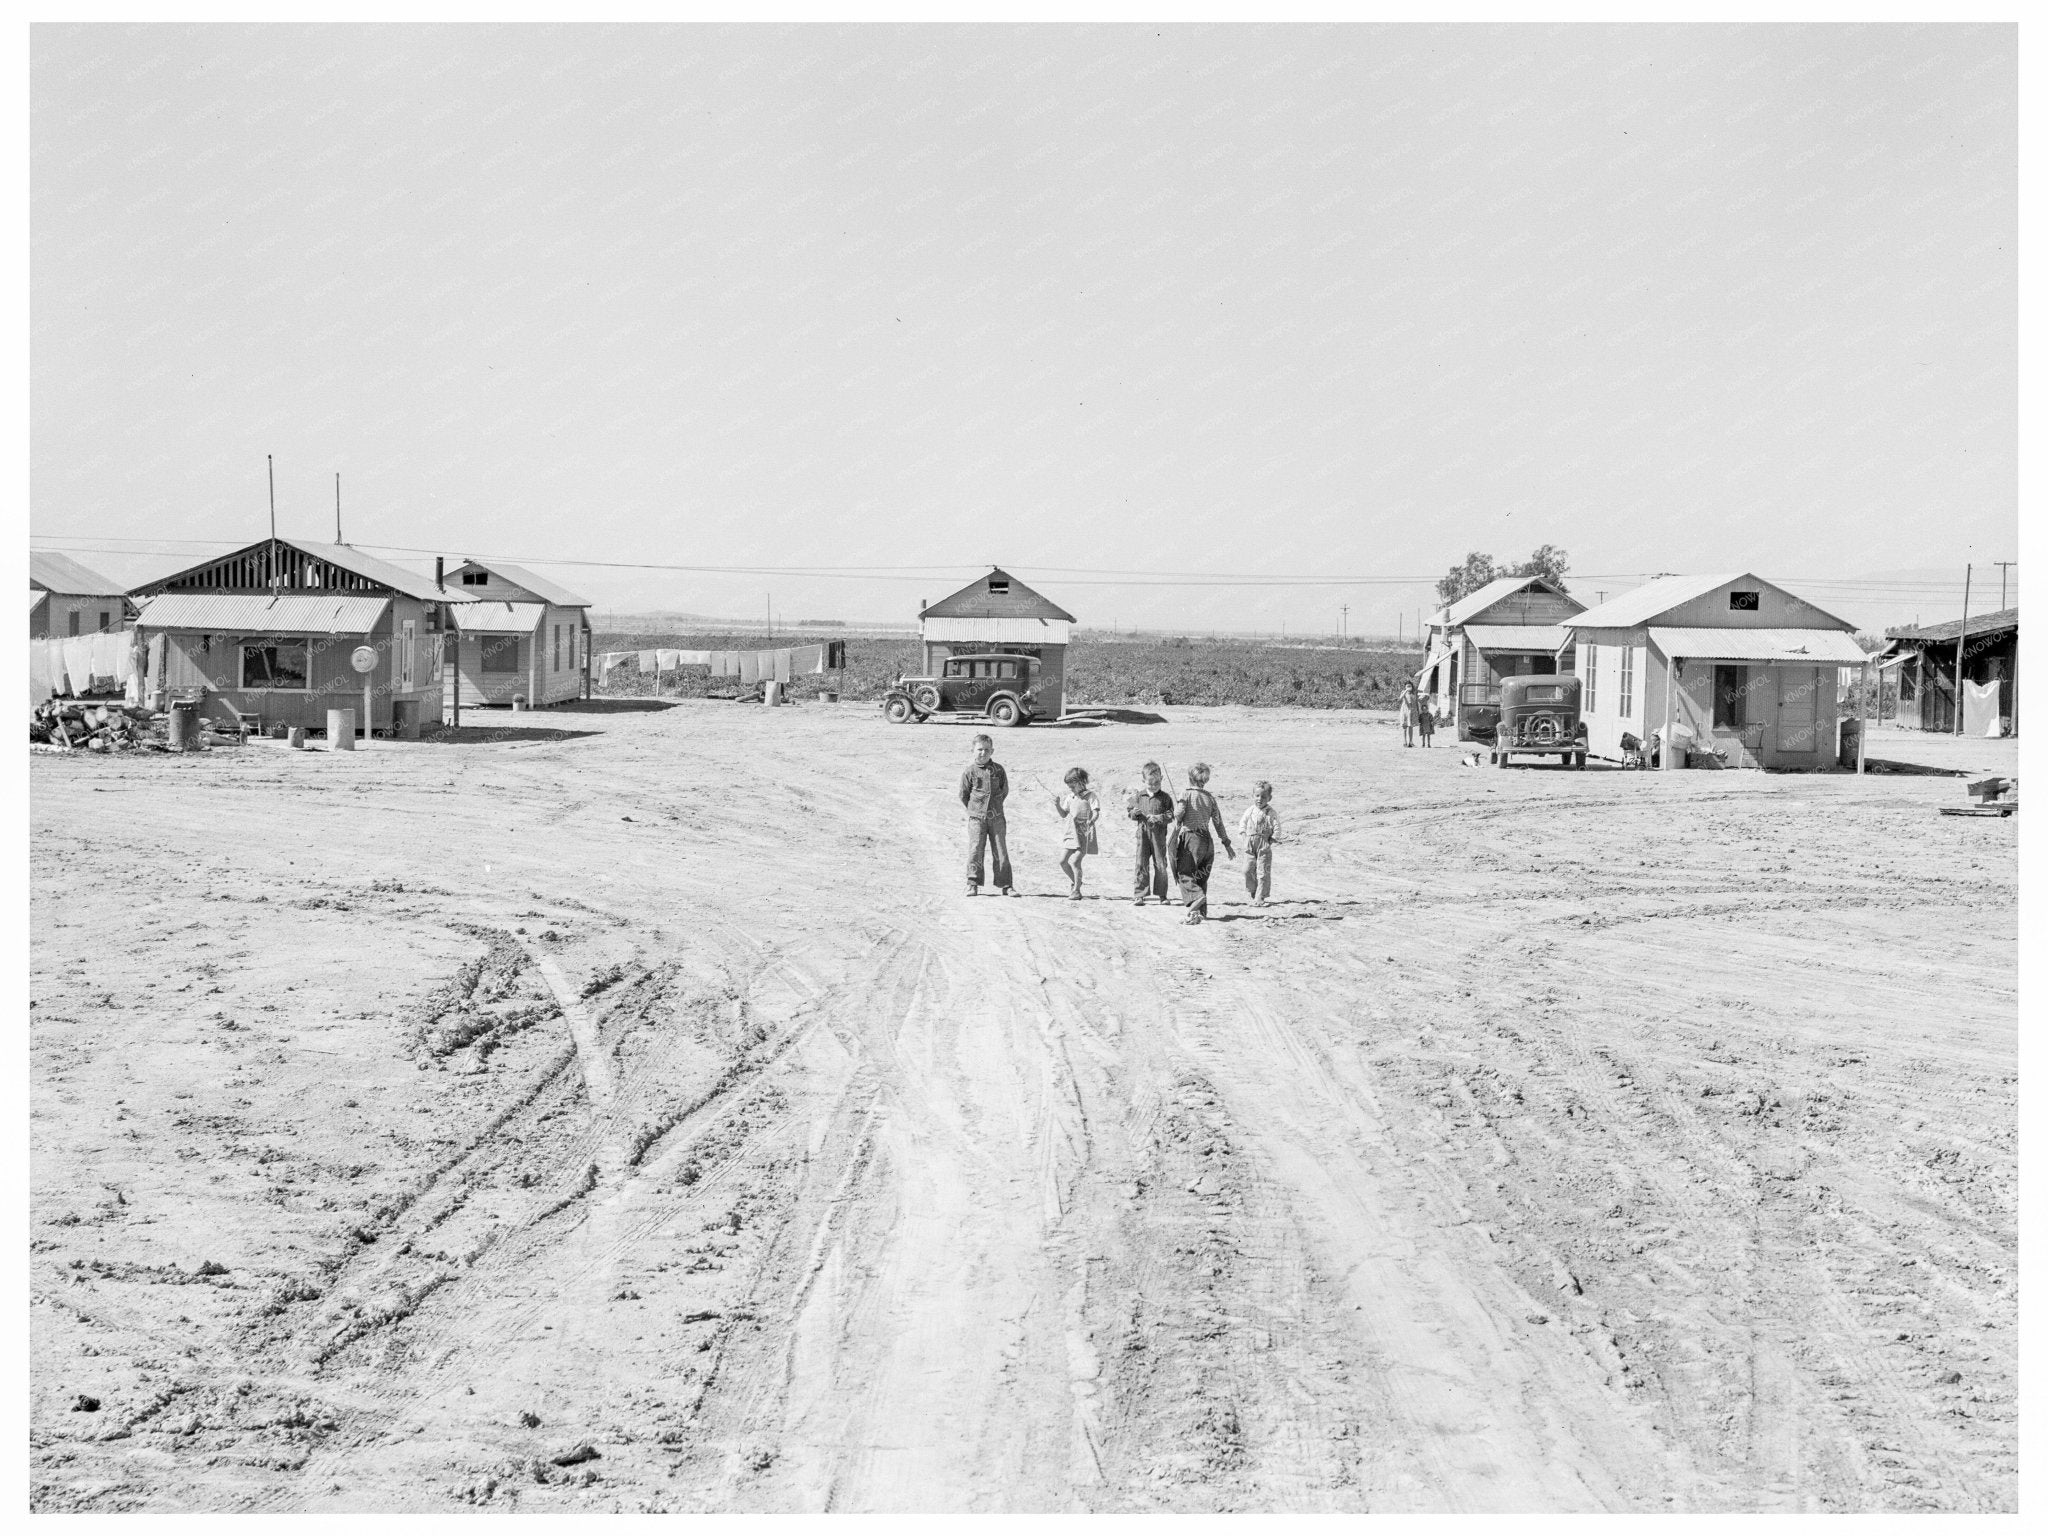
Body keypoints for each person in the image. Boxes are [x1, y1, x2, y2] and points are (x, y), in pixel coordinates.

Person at [1168, 762, 1235, 924]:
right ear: (1205, 780)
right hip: (1207, 841)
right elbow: (1218, 822)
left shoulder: (1186, 793)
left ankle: (1196, 897)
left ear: (1190, 778)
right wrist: (1226, 843)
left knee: (1185, 874)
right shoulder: (1210, 798)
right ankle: (1200, 912)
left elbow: (1179, 814)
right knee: (1201, 876)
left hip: (1191, 839)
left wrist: (1176, 813)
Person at [959, 733, 1016, 896]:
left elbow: (1004, 790)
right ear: (972, 750)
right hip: (976, 819)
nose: (983, 753)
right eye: (979, 749)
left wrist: (995, 807)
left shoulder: (998, 770)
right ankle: (972, 883)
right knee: (975, 849)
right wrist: (975, 810)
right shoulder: (969, 772)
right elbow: (963, 794)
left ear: (992, 751)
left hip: (997, 818)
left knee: (1001, 850)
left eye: (986, 750)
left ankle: (1006, 885)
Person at [1049, 766, 1101, 900]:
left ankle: (1076, 891)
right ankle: (1076, 881)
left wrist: (1092, 820)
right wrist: (1057, 805)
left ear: (1082, 782)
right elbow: (1063, 814)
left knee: (1076, 861)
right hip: (1071, 834)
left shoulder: (1090, 796)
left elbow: (1096, 812)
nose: (1071, 789)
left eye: (1072, 786)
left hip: (1084, 834)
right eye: (1069, 787)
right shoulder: (1070, 797)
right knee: (1062, 861)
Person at [1127, 760, 1173, 905]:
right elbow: (1130, 813)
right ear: (1143, 781)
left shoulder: (1165, 798)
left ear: (1162, 779)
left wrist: (1159, 818)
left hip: (1159, 836)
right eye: (1150, 783)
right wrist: (1134, 813)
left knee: (1161, 864)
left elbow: (1171, 815)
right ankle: (1140, 894)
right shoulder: (1138, 797)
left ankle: (1162, 895)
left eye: (1157, 783)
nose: (1153, 786)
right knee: (1141, 863)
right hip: (1143, 835)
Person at [1237, 781, 1282, 905]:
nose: (1259, 799)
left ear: (1269, 798)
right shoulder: (1250, 810)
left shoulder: (1271, 812)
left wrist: (1272, 839)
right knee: (1247, 869)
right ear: (1253, 796)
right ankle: (1253, 890)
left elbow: (1277, 827)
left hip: (1263, 845)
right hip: (1249, 844)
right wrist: (1243, 836)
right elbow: (1242, 823)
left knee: (1263, 872)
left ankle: (1260, 896)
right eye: (1257, 796)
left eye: (1263, 796)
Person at [1398, 681, 1418, 747]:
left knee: (1411, 727)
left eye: (1410, 686)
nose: (1409, 687)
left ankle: (1411, 742)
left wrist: (1417, 711)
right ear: (1405, 687)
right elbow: (1400, 699)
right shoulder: (1403, 692)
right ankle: (1405, 742)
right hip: (1405, 711)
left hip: (1412, 711)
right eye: (1407, 686)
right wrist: (1406, 690)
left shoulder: (1414, 693)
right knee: (1404, 727)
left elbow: (1416, 702)